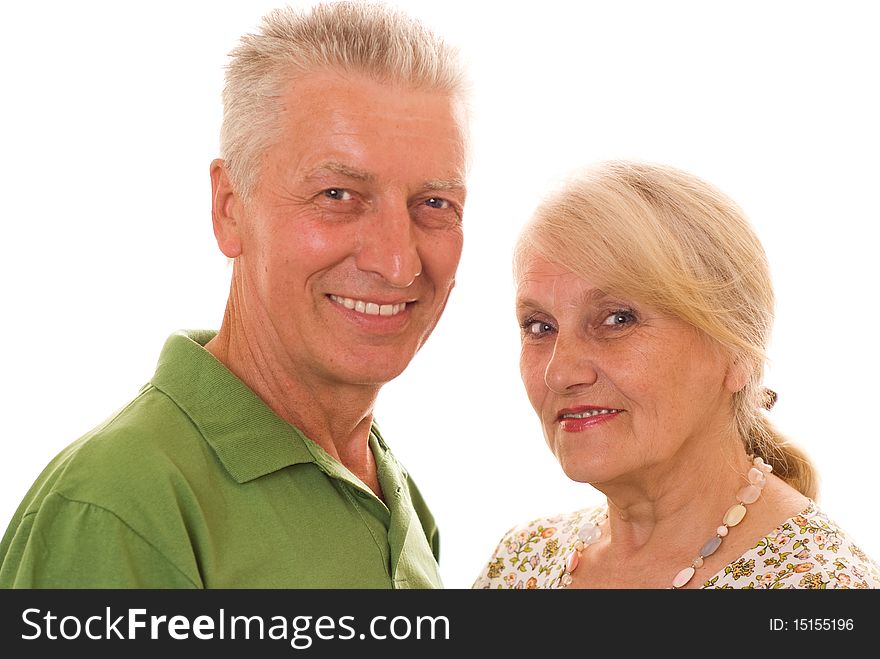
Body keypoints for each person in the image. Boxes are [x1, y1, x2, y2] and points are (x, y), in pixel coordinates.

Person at [0, 2, 469, 588]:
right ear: (229, 208)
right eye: (337, 194)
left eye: (434, 205)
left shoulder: (396, 495)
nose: (398, 263)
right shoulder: (116, 508)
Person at [473, 160, 880, 589]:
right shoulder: (521, 560)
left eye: (618, 319)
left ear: (736, 351)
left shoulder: (819, 587)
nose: (560, 372)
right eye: (540, 327)